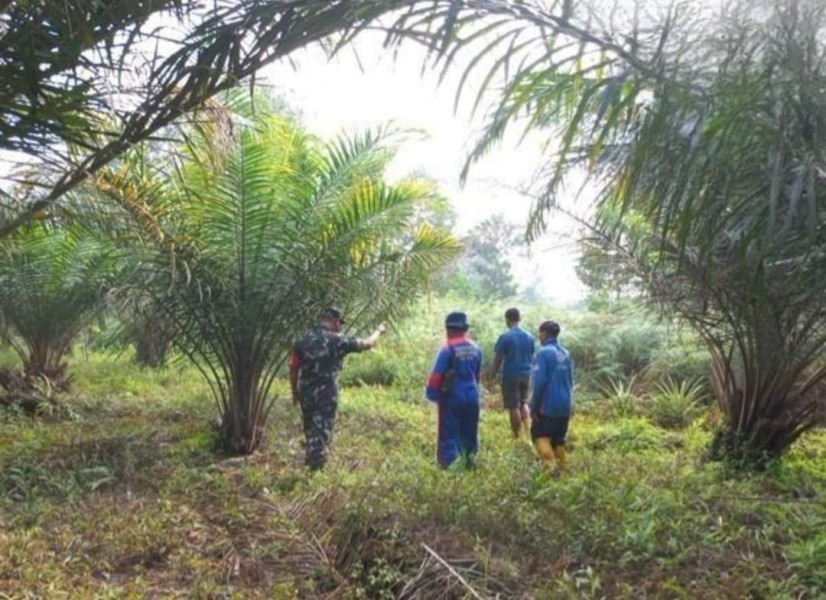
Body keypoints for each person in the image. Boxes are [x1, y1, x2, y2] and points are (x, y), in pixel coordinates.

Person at [290, 306, 386, 470]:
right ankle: (315, 471)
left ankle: (311, 463)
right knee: (322, 432)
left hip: (307, 395)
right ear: (335, 322)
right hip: (326, 397)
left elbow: (293, 368)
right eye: (340, 323)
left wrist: (295, 392)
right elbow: (368, 343)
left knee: (311, 429)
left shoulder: (302, 340)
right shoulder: (337, 340)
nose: (340, 327)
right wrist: (379, 330)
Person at [425, 312, 483, 468]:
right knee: (470, 428)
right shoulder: (475, 348)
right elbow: (477, 376)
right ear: (465, 329)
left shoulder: (448, 348)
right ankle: (469, 461)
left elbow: (437, 375)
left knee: (448, 429)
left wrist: (432, 394)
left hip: (452, 394)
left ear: (448, 329)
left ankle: (448, 464)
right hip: (472, 392)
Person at [530, 320, 574, 475]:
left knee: (539, 435)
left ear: (544, 334)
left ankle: (552, 470)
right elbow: (571, 381)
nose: (539, 338)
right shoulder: (566, 353)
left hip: (549, 405)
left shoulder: (543, 353)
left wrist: (534, 407)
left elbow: (539, 383)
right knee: (558, 439)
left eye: (539, 334)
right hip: (565, 405)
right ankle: (564, 472)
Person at [488, 307, 536, 440]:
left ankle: (516, 437)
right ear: (520, 319)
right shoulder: (530, 337)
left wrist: (491, 377)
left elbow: (498, 359)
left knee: (513, 406)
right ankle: (528, 433)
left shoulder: (505, 337)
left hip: (511, 375)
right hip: (527, 374)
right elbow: (533, 356)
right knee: (524, 403)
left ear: (507, 320)